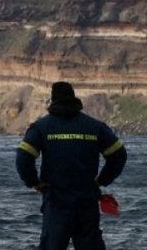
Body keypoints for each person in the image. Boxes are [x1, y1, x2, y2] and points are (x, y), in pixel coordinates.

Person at [16, 81, 127, 250]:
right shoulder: (95, 127)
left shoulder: (41, 127)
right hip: (86, 201)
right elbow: (118, 155)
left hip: (56, 201)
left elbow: (23, 158)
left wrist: (35, 183)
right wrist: (102, 180)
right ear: (74, 97)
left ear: (53, 99)